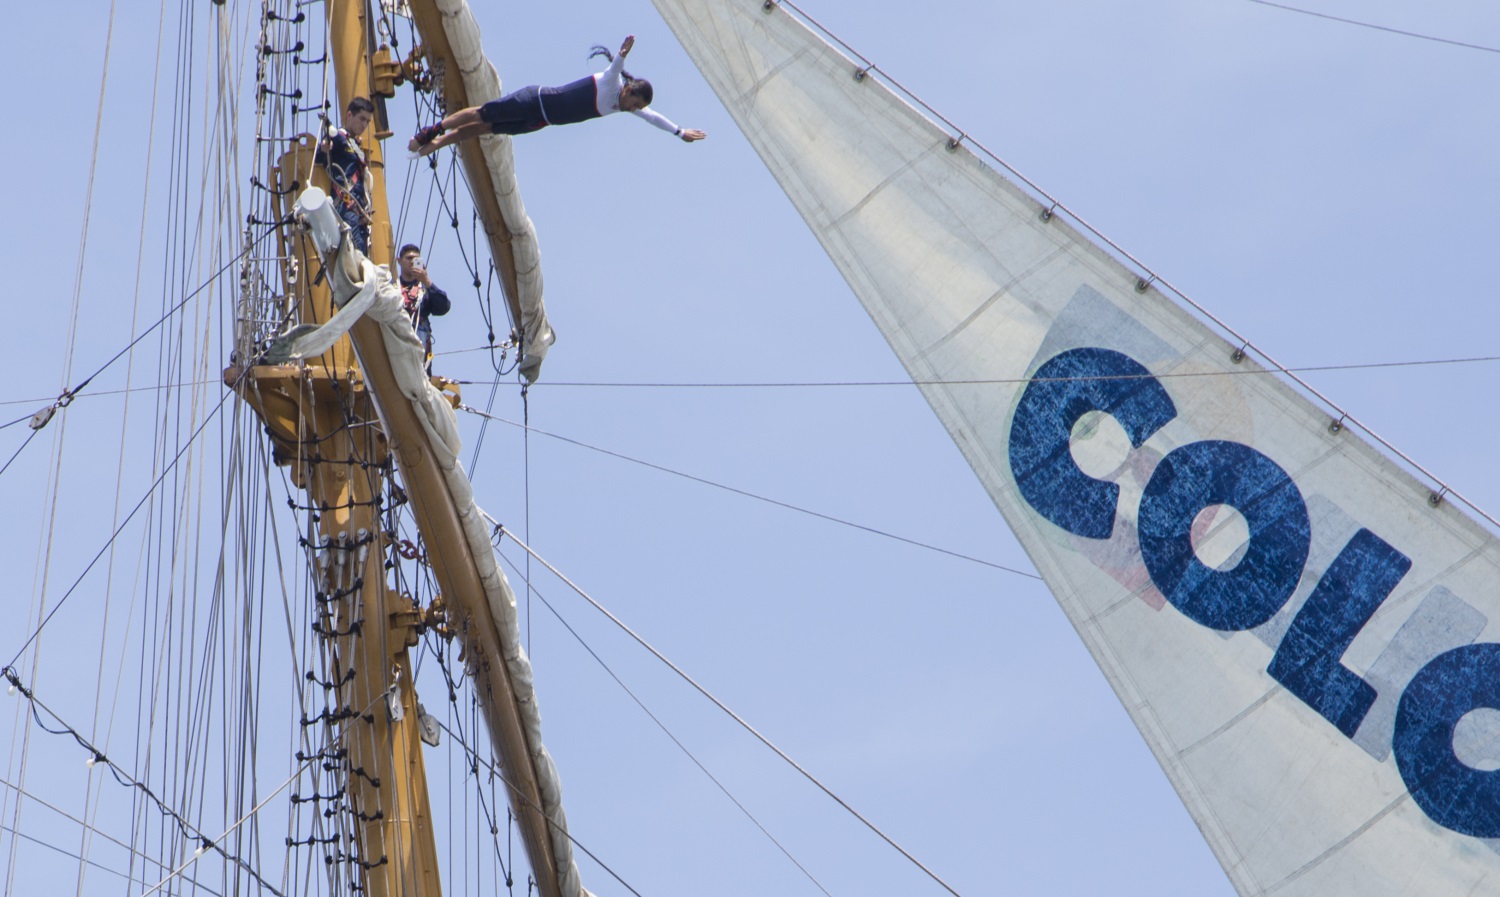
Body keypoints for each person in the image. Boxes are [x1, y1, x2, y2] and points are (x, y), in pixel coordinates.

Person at [409, 35, 706, 155]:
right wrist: (623, 52)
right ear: (629, 90)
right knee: (482, 113)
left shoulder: (622, 106)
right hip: (534, 99)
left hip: (539, 121)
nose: (634, 109)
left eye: (637, 107)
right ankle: (435, 129)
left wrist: (679, 132)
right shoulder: (611, 81)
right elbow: (617, 63)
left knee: (487, 128)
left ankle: (440, 143)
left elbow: (653, 118)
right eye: (635, 102)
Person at [316, 97, 376, 253]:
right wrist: (324, 148)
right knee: (355, 254)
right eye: (361, 119)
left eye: (367, 122)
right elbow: (320, 156)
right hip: (346, 205)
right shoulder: (337, 136)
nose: (364, 125)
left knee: (361, 253)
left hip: (359, 209)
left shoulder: (355, 145)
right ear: (349, 115)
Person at [396, 244, 452, 373]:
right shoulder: (392, 287)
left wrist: (426, 280)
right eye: (408, 258)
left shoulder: (425, 290)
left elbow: (443, 307)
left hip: (418, 345)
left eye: (416, 259)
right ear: (399, 261)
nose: (412, 262)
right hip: (396, 340)